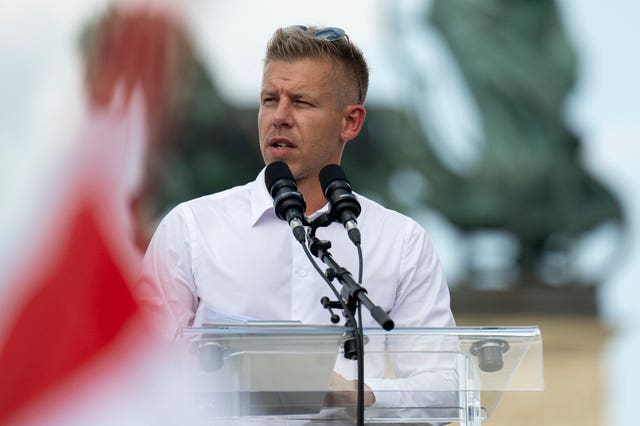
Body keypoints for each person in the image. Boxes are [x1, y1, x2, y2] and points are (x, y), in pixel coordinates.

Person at [137, 25, 456, 415]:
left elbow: (443, 386)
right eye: (270, 99)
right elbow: (133, 370)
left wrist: (361, 394)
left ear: (350, 122)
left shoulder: (401, 241)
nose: (280, 117)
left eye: (302, 102)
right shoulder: (191, 229)